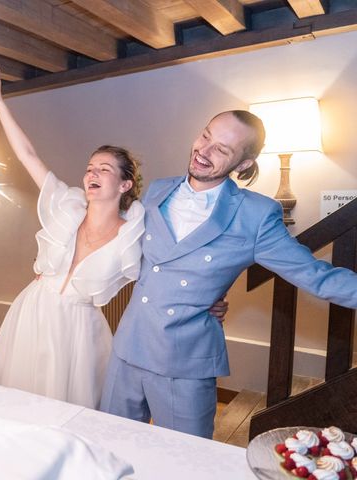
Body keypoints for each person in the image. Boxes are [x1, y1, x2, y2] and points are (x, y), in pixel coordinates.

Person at [100, 110, 357, 438]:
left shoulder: (256, 215)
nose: (203, 151)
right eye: (206, 136)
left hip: (186, 363)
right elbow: (115, 245)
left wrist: (210, 292)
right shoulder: (157, 190)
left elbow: (316, 276)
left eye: (221, 149)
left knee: (186, 463)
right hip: (128, 347)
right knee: (108, 446)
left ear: (243, 165)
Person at [0, 65, 227, 408]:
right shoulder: (65, 205)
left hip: (78, 333)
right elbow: (28, 154)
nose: (91, 173)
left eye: (104, 169)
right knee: (15, 406)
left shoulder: (134, 235)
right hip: (31, 314)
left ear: (125, 184)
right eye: (89, 168)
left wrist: (207, 299)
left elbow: (170, 272)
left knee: (68, 413)